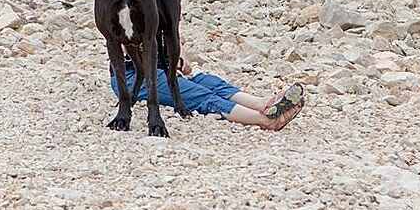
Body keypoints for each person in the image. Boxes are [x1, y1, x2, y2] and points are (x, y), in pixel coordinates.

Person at [109, 47, 305, 131]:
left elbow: (176, 40)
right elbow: (130, 48)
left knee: (207, 80)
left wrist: (182, 60)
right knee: (200, 95)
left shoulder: (161, 5)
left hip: (162, 68)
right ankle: (265, 120)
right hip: (134, 77)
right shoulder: (130, 8)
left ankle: (260, 103)